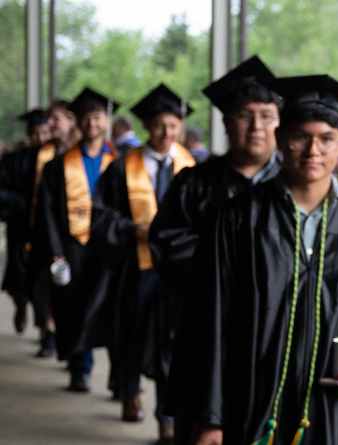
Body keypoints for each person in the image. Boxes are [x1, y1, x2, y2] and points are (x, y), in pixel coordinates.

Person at [187, 74, 338, 445]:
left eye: (326, 139)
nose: (314, 151)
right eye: (300, 137)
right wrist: (211, 417)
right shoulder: (237, 218)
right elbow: (208, 319)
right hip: (256, 405)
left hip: (337, 408)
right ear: (281, 140)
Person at [150, 55, 284, 443]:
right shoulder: (195, 183)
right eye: (245, 115)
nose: (256, 126)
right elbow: (167, 243)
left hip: (273, 336)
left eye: (267, 115)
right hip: (205, 329)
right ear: (226, 122)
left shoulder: (292, 189)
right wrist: (232, 270)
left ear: (279, 122)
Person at [86, 84, 197, 438]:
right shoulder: (122, 168)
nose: (167, 133)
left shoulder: (193, 169)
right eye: (161, 125)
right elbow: (99, 215)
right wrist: (131, 229)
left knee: (174, 343)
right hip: (136, 267)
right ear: (148, 126)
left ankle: (167, 413)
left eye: (174, 125)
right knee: (132, 335)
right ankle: (130, 392)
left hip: (178, 273)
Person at [32, 87, 120, 393]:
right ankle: (80, 369)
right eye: (85, 118)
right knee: (76, 308)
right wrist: (56, 255)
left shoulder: (121, 163)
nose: (92, 124)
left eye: (97, 117)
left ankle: (120, 378)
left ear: (106, 121)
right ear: (77, 123)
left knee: (113, 311)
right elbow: (48, 214)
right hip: (74, 248)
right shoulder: (58, 166)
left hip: (111, 248)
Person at [0, 109, 52, 337]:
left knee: (43, 281)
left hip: (46, 229)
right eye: (36, 132)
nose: (40, 138)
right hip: (20, 226)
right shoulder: (15, 159)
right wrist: (20, 203)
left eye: (44, 132)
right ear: (29, 133)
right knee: (18, 277)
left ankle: (46, 335)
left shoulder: (57, 159)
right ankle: (20, 305)